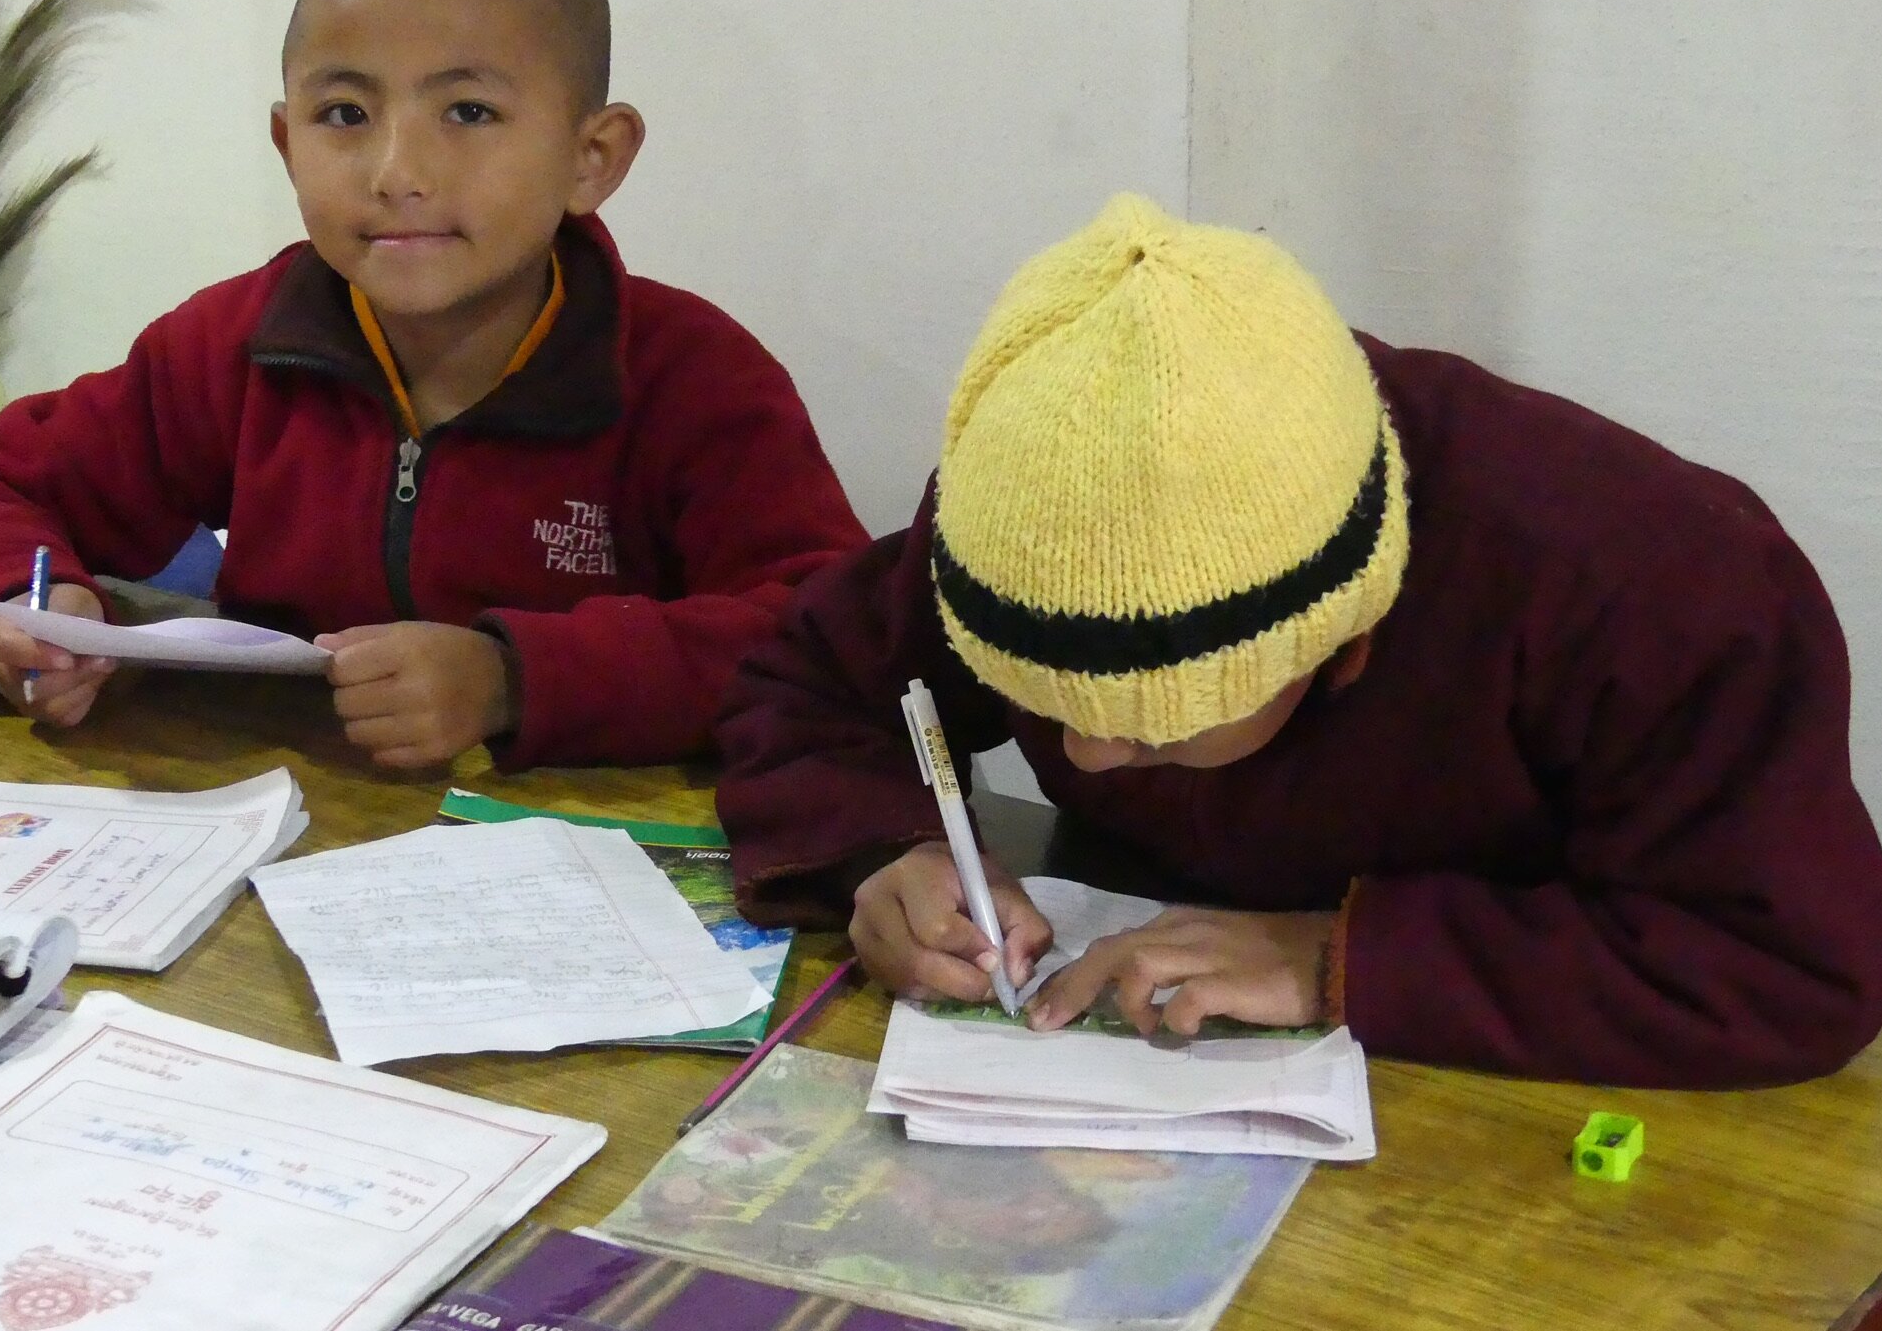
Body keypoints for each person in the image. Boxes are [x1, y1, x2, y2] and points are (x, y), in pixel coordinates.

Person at [716, 193, 1882, 1087]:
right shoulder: (1031, 513)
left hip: (1505, 1133)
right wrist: (887, 849)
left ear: (1346, 644)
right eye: (1045, 704)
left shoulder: (1655, 587)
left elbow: (1789, 966)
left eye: (1153, 729)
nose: (1086, 755)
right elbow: (812, 681)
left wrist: (1341, 957)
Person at [0, 0, 865, 770]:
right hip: (293, 833)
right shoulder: (242, 345)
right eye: (345, 114)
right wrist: (31, 610)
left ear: (590, 158)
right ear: (288, 143)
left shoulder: (688, 379)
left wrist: (514, 678)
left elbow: (831, 631)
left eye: (469, 111)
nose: (398, 169)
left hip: (593, 858)